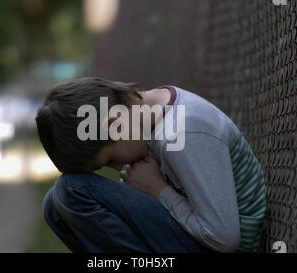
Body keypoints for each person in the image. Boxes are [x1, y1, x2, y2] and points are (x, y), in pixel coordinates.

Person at [35, 77, 266, 253]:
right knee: (53, 205)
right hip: (196, 237)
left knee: (72, 190)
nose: (118, 168)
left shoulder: (183, 133)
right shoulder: (156, 116)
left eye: (109, 161)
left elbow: (224, 238)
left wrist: (158, 191)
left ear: (115, 126)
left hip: (225, 248)